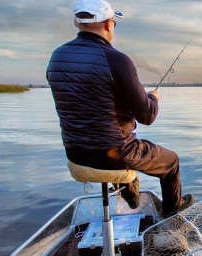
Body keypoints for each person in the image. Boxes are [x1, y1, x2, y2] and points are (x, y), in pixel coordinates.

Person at [46, 0, 193, 217]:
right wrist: (153, 98)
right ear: (107, 23)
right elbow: (147, 116)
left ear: (78, 23)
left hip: (75, 152)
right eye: (114, 22)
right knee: (170, 161)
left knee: (122, 149)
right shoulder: (117, 60)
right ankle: (171, 212)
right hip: (114, 154)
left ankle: (130, 192)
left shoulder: (56, 57)